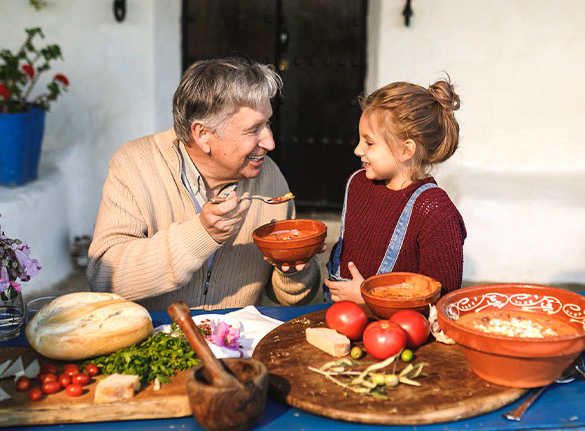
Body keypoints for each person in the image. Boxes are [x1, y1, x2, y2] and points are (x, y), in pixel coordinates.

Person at [87, 58, 322, 311]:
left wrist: (294, 269)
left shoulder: (269, 174)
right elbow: (103, 278)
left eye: (268, 124)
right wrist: (201, 235)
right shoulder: (135, 165)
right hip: (152, 340)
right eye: (254, 129)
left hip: (235, 344)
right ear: (203, 135)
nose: (270, 142)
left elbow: (291, 298)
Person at [324, 78, 466, 303]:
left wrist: (371, 296)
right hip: (340, 316)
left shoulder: (436, 212)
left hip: (398, 331)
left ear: (405, 150)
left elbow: (441, 298)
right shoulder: (358, 183)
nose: (357, 149)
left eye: (369, 143)